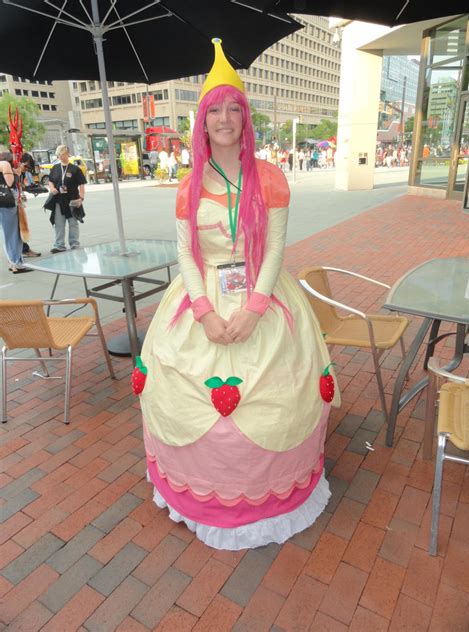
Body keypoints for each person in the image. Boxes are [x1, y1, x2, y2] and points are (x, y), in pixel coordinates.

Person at [138, 38, 338, 550]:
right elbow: (185, 253)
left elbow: (274, 252)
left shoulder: (270, 178)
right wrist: (203, 313)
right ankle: (204, 494)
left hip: (263, 299)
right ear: (201, 121)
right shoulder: (186, 185)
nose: (225, 117)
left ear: (245, 118)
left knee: (273, 400)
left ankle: (267, 496)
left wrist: (254, 309)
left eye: (234, 108)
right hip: (201, 298)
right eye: (215, 110)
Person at [47, 145, 86, 253]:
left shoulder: (75, 169)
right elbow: (50, 181)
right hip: (59, 200)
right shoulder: (55, 168)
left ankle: (74, 244)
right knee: (59, 223)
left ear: (67, 154)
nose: (61, 157)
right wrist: (52, 188)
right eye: (59, 155)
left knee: (73, 222)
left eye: (63, 154)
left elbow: (82, 184)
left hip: (73, 199)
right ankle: (59, 245)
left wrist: (81, 198)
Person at [0, 149, 32, 273]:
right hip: (7, 205)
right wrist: (17, 174)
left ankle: (12, 262)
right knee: (12, 235)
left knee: (6, 235)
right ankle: (16, 264)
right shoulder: (5, 165)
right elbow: (10, 183)